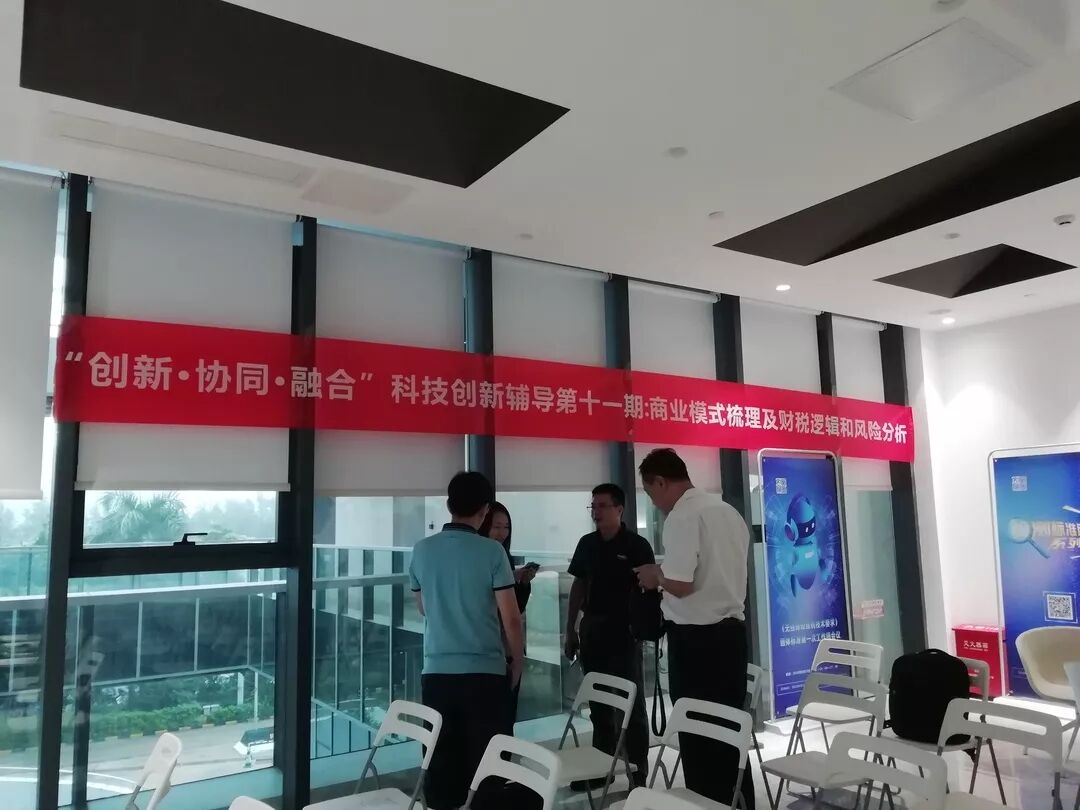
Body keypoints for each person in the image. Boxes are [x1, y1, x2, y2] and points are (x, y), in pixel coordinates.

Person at [634, 448, 755, 809]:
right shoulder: (727, 512)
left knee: (699, 736)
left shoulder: (683, 515)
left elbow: (681, 584)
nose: (655, 504)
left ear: (660, 481)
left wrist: (654, 576)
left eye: (651, 494)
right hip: (731, 638)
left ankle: (706, 803)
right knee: (729, 732)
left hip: (697, 644)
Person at [409, 472, 524, 810]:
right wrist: (517, 661)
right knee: (486, 769)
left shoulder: (422, 550)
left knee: (442, 766)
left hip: (437, 674)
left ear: (449, 505)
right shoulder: (492, 552)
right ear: (485, 510)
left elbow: (423, 608)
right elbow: (511, 618)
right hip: (485, 675)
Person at [565, 483, 653, 790]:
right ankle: (601, 769)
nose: (596, 512)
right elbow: (578, 586)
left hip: (626, 635)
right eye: (594, 506)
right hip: (593, 631)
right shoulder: (587, 544)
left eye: (602, 506)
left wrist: (645, 627)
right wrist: (570, 630)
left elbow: (650, 590)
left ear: (620, 509)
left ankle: (638, 773)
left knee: (632, 705)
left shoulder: (637, 546)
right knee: (599, 705)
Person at [479, 501, 537, 722]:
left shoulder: (503, 556)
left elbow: (515, 608)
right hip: (490, 647)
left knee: (506, 715)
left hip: (505, 647)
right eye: (497, 526)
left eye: (506, 527)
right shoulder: (484, 557)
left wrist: (522, 582)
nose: (502, 533)